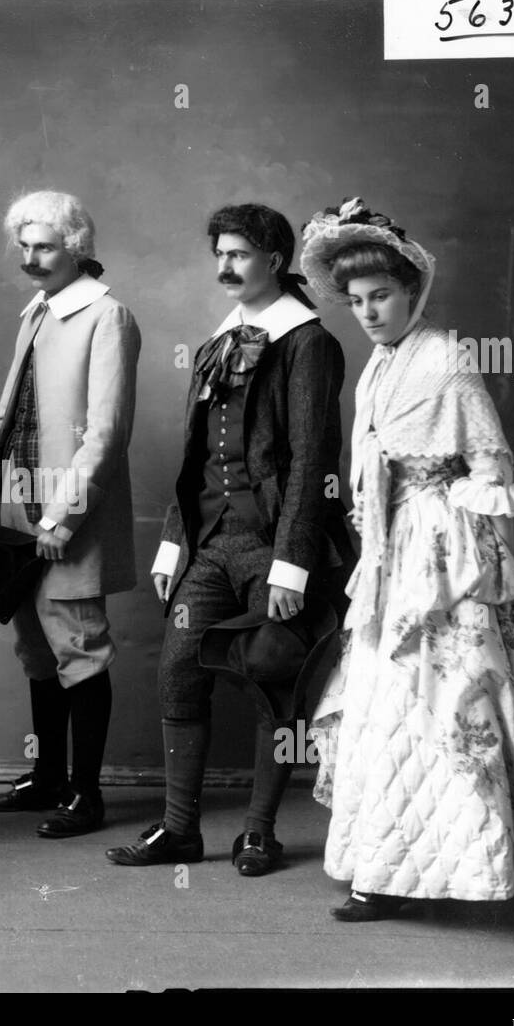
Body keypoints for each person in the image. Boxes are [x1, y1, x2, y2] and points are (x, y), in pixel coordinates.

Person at [299, 197, 514, 921]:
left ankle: (471, 873)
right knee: (386, 702)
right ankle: (379, 870)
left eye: (382, 296)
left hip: (443, 553)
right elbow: (370, 463)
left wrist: (473, 562)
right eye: (356, 301)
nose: (370, 313)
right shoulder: (379, 366)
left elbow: (490, 462)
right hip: (391, 550)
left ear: (412, 291)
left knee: (451, 700)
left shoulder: (448, 359)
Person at [106, 203, 353, 872]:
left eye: (239, 254)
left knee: (275, 681)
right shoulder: (221, 338)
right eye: (219, 254)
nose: (224, 266)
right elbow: (196, 456)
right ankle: (180, 829)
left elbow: (312, 461)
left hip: (277, 549)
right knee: (179, 674)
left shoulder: (308, 343)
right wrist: (172, 543)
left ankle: (259, 831)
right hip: (211, 544)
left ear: (274, 261)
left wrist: (293, 567)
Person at [0, 191, 141, 838]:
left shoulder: (108, 318)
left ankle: (85, 793)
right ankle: (48, 778)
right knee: (35, 650)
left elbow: (106, 433)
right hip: (18, 512)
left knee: (80, 650)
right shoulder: (38, 313)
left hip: (67, 522)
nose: (31, 259)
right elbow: (9, 415)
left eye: (44, 247)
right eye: (26, 247)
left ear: (78, 248)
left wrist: (62, 518)